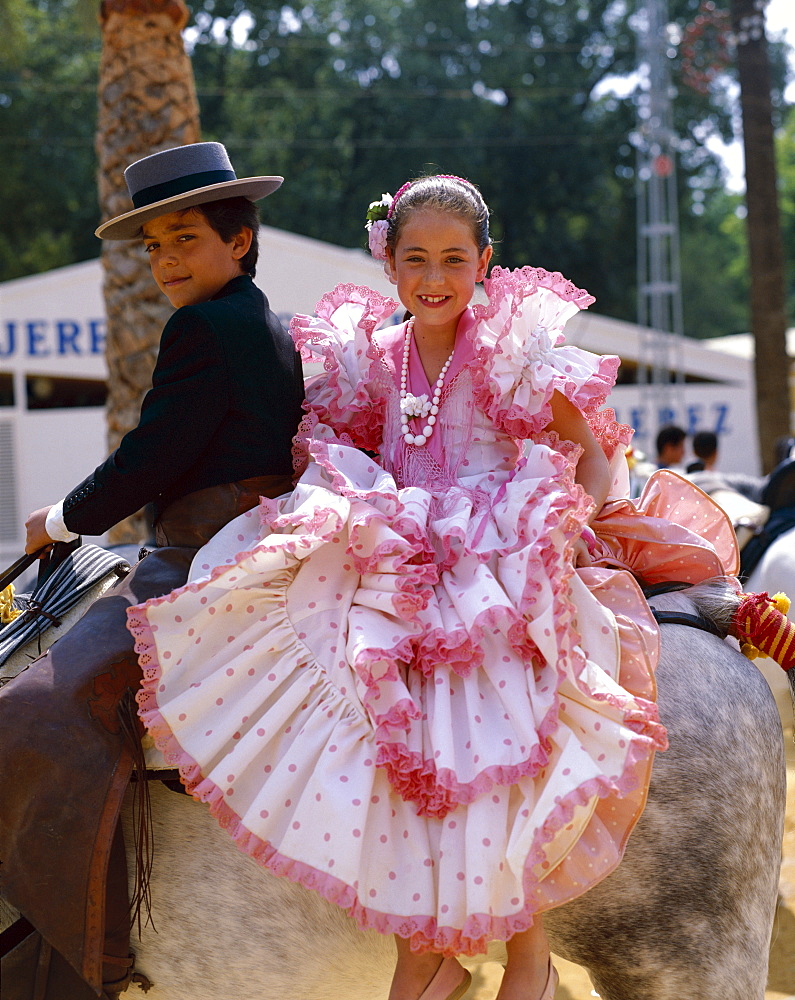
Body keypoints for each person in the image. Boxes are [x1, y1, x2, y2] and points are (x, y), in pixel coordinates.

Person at [124, 175, 740, 1000]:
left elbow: (587, 450)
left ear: (485, 262)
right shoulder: (370, 355)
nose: (434, 277)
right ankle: (427, 941)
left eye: (454, 258)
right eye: (414, 258)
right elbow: (334, 447)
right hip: (406, 551)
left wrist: (572, 515)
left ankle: (516, 956)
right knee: (382, 718)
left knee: (507, 720)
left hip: (499, 546)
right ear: (388, 264)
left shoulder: (509, 349)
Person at [0, 142, 305, 999]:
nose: (167, 261)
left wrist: (57, 520)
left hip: (203, 551)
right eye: (153, 247)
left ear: (238, 240)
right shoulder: (266, 320)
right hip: (227, 533)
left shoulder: (203, 326)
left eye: (184, 240)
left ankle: (84, 955)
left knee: (37, 706)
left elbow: (155, 452)